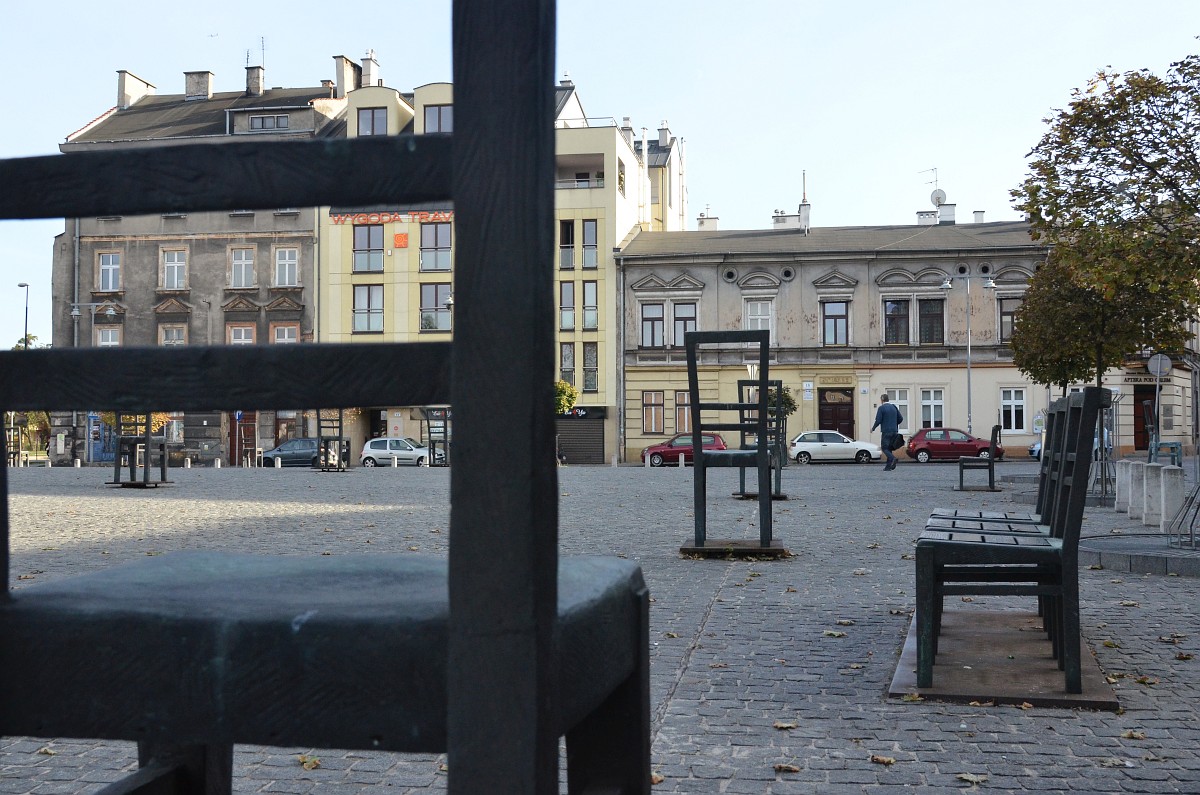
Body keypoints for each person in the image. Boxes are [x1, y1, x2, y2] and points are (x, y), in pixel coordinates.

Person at [871, 393, 903, 471]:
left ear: (882, 399)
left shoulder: (881, 408)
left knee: (884, 448)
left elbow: (878, 420)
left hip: (886, 431)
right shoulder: (894, 407)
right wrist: (894, 424)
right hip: (894, 431)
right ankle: (888, 467)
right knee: (889, 449)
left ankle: (893, 458)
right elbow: (900, 418)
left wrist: (873, 428)